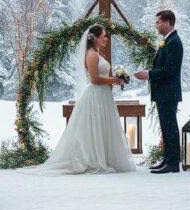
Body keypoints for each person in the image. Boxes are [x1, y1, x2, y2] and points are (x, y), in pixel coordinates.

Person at [21, 25, 135, 175]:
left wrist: (115, 80)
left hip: (103, 95)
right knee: (94, 126)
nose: (106, 38)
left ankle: (104, 157)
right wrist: (113, 79)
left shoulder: (97, 53)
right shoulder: (92, 55)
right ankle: (94, 159)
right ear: (94, 38)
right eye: (104, 36)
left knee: (101, 126)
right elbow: (94, 79)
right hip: (95, 94)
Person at [134, 10, 184, 174]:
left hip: (168, 92)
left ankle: (173, 162)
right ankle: (168, 159)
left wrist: (148, 74)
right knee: (166, 126)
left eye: (158, 22)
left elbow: (170, 70)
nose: (156, 25)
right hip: (164, 92)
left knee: (170, 126)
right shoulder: (168, 41)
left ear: (168, 22)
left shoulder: (174, 42)